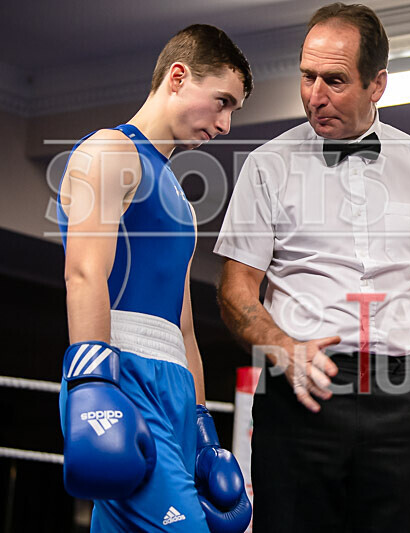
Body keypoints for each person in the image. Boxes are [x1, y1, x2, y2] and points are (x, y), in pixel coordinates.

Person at [214, 3, 410, 532]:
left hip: (406, 396)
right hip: (298, 388)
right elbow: (234, 289)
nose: (316, 95)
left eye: (334, 80)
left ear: (377, 84)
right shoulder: (267, 164)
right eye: (307, 77)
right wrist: (280, 346)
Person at [57, 24, 254, 532]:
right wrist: (93, 385)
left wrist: (203, 427)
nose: (227, 124)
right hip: (122, 375)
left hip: (173, 388)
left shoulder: (181, 202)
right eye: (222, 101)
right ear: (178, 77)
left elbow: (183, 326)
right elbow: (83, 274)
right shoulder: (109, 152)